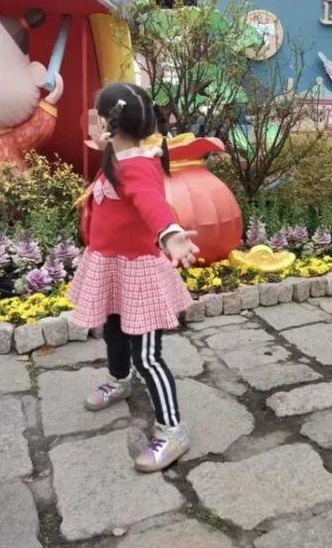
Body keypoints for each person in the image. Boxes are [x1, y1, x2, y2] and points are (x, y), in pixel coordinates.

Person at [69, 82, 198, 472]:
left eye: (95, 115)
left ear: (109, 123)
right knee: (112, 331)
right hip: (111, 266)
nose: (90, 121)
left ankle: (173, 430)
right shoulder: (117, 154)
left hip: (138, 273)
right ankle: (119, 379)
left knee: (148, 356)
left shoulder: (138, 165)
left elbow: (152, 203)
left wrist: (171, 235)